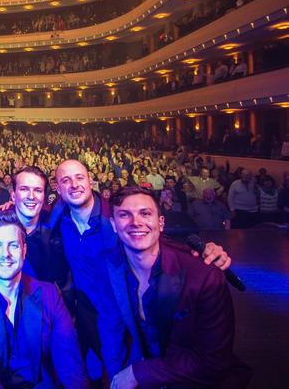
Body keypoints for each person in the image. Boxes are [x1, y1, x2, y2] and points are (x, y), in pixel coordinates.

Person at [49, 160, 232, 380]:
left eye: (79, 178)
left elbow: (152, 239)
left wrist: (204, 252)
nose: (74, 185)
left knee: (123, 372)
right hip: (87, 313)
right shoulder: (58, 218)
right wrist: (9, 207)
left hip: (122, 314)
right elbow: (31, 214)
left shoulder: (114, 216)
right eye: (65, 180)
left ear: (91, 181)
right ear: (58, 188)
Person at [106, 187, 251, 388]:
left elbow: (214, 362)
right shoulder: (113, 269)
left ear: (161, 222)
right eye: (124, 215)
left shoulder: (204, 276)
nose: (136, 222)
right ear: (113, 225)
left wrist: (138, 373)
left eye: (145, 213)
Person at [0, 209, 89, 388]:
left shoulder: (50, 295)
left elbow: (71, 367)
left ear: (24, 250)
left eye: (13, 245)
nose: (6, 254)